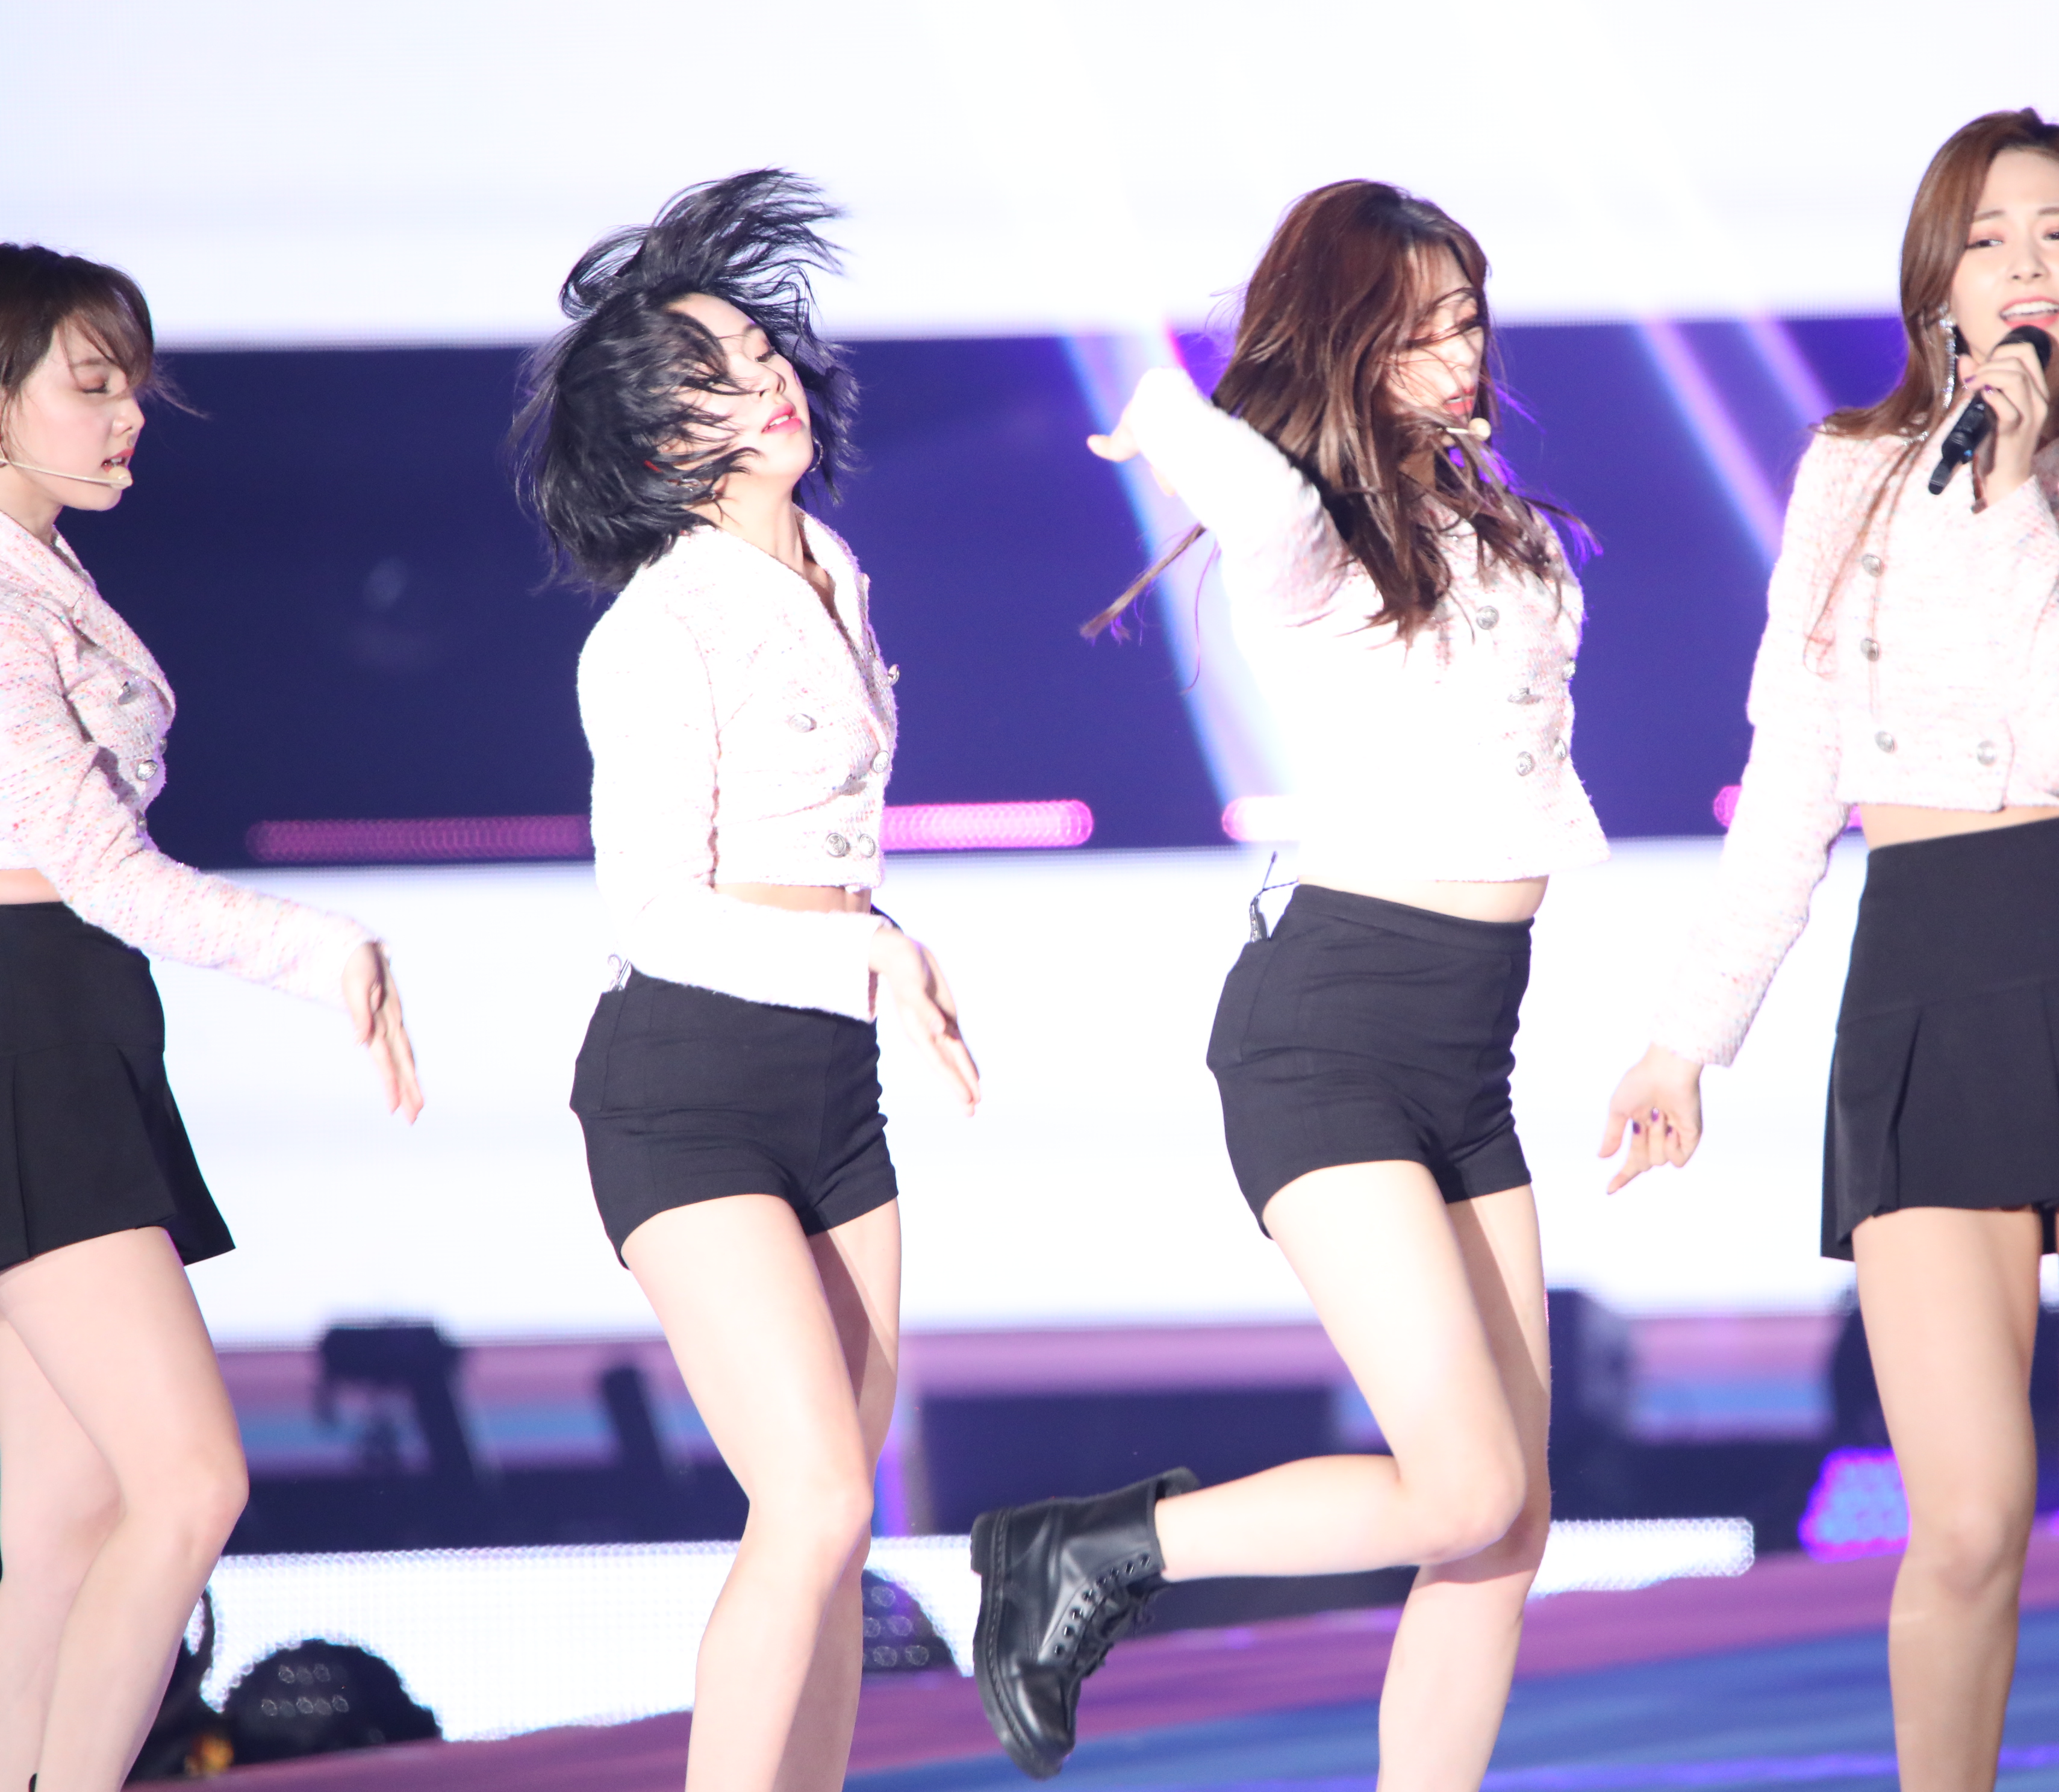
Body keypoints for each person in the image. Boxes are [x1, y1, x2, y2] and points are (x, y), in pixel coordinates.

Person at [1602, 110, 2059, 1792]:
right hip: (1924, 978)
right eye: (1986, 238)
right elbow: (1793, 777)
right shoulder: (1849, 475)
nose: (2024, 266)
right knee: (1968, 1518)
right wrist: (1689, 1036)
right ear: (1938, 285)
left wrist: (2008, 493)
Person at [968, 180, 1605, 1787]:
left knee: (1508, 1522)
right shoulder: (1314, 551)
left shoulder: (1496, 526)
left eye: (1469, 322)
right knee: (1463, 1489)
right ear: (1347, 341)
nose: (1461, 355)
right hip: (1332, 1034)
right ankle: (1095, 1549)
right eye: (1419, 329)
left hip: (1466, 1047)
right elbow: (1260, 506)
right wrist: (1167, 412)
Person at [514, 171, 979, 1792]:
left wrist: (872, 952)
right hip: (686, 1087)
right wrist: (872, 947)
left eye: (758, 349)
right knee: (814, 1499)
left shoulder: (833, 570)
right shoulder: (659, 628)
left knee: (844, 1530)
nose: (763, 379)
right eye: (709, 376)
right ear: (657, 448)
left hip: (829, 1084)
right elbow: (656, 912)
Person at [0, 244, 422, 1791]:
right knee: (186, 1483)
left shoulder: (40, 572)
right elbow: (99, 869)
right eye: (91, 387)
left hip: (56, 1015)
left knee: (67, 1515)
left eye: (134, 390)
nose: (128, 420)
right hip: (33, 1025)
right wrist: (324, 949)